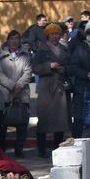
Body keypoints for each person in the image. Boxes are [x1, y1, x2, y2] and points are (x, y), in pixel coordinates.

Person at [31, 23, 70, 157]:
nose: (55, 36)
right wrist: (49, 65)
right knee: (44, 119)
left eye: (57, 34)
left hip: (59, 87)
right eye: (52, 34)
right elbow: (34, 68)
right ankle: (41, 150)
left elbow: (69, 67)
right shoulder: (41, 50)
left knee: (60, 120)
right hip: (46, 87)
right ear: (48, 35)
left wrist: (63, 69)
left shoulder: (64, 49)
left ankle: (57, 148)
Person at [0, 30, 32, 157]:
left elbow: (28, 72)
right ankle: (1, 150)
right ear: (8, 40)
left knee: (22, 124)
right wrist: (12, 85)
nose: (15, 41)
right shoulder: (1, 55)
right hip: (5, 93)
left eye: (17, 38)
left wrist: (19, 85)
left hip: (22, 94)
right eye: (12, 38)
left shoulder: (25, 55)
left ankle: (19, 150)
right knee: (2, 124)